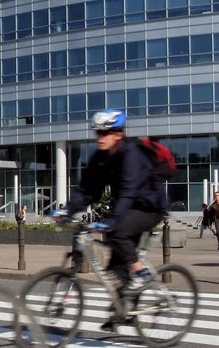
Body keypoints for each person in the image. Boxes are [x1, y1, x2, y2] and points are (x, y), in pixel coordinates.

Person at [60, 109, 166, 331]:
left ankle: (141, 273)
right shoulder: (101, 157)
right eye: (98, 133)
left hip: (148, 207)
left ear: (118, 134)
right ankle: (123, 311)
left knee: (118, 232)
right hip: (126, 208)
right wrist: (67, 211)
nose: (100, 137)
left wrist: (113, 221)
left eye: (104, 133)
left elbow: (128, 191)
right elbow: (88, 189)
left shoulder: (132, 155)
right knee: (114, 269)